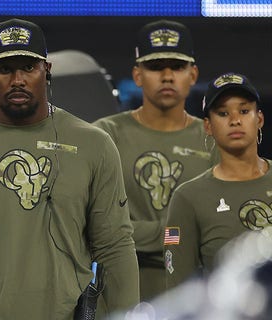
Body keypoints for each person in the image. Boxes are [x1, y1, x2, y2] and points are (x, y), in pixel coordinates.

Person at [0, 18, 139, 319]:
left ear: (46, 70)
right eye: (6, 69)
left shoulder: (94, 145)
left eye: (28, 68)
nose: (17, 79)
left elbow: (115, 248)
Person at [92, 19, 216, 301]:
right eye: (156, 66)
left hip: (197, 298)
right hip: (119, 296)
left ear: (193, 74)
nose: (168, 76)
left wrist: (136, 234)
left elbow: (220, 228)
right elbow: (97, 227)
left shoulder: (214, 140)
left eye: (178, 66)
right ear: (137, 75)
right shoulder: (103, 135)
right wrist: (179, 235)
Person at [163, 72, 270, 290]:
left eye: (244, 110)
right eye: (223, 113)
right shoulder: (189, 198)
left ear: (259, 119)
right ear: (208, 126)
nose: (235, 120)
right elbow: (180, 289)